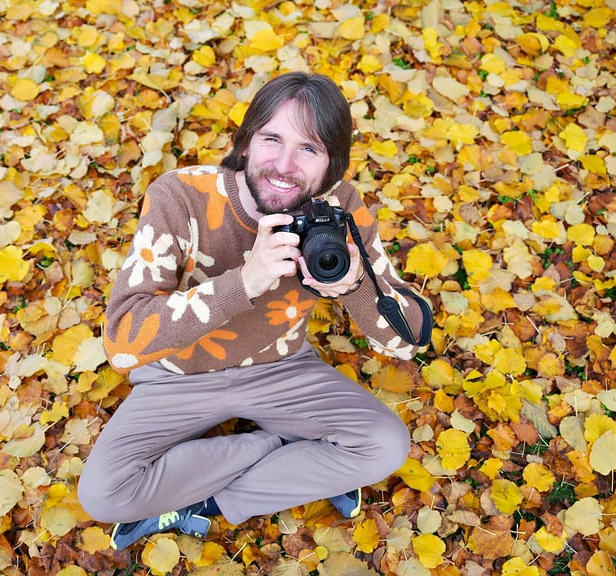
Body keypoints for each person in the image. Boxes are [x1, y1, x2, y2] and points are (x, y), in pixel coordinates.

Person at [77, 71, 430, 550]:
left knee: (386, 444)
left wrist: (353, 285)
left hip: (281, 367)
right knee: (103, 494)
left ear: (332, 166)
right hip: (179, 376)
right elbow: (121, 340)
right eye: (271, 139)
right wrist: (242, 282)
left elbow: (407, 340)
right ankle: (279, 447)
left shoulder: (339, 207)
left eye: (309, 149)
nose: (284, 165)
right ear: (245, 144)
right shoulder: (180, 196)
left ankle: (207, 504)